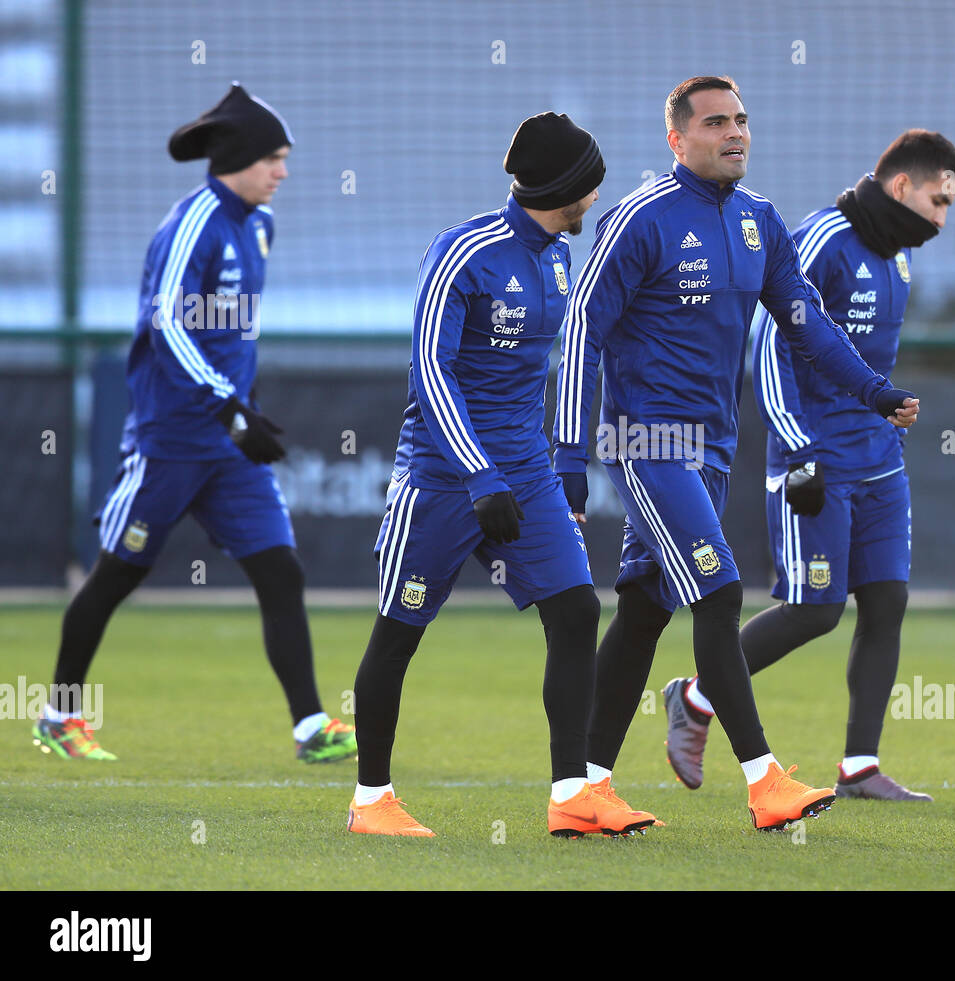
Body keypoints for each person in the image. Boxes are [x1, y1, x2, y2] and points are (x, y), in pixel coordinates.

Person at [553, 76, 920, 832]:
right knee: (719, 593)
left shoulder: (759, 220)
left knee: (646, 609)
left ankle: (580, 790)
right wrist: (570, 451)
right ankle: (764, 781)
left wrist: (873, 391)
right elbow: (584, 328)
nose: (735, 133)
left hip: (713, 448)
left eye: (742, 120)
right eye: (716, 122)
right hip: (648, 443)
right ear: (677, 138)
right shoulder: (639, 218)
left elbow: (807, 325)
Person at [345, 113, 653, 839]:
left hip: (526, 470)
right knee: (398, 633)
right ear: (568, 187)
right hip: (445, 475)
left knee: (577, 612)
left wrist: (548, 462)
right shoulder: (465, 251)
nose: (598, 195)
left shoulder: (556, 256)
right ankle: (370, 801)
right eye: (592, 181)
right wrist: (478, 473)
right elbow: (430, 368)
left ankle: (572, 793)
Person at [31, 83, 356, 765]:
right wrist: (227, 404)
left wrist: (245, 400)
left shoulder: (260, 225)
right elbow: (166, 324)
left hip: (229, 443)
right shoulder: (192, 224)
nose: (284, 172)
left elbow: (237, 333)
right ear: (238, 157)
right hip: (172, 438)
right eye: (274, 157)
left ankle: (310, 726)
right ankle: (59, 713)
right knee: (118, 573)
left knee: (281, 571)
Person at [662, 131, 955, 802]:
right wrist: (800, 448)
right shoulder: (824, 238)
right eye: (938, 201)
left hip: (879, 461)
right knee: (813, 609)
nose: (943, 219)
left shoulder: (901, 260)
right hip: (816, 459)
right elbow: (770, 346)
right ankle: (693, 695)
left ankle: (860, 766)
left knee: (886, 601)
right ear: (900, 188)